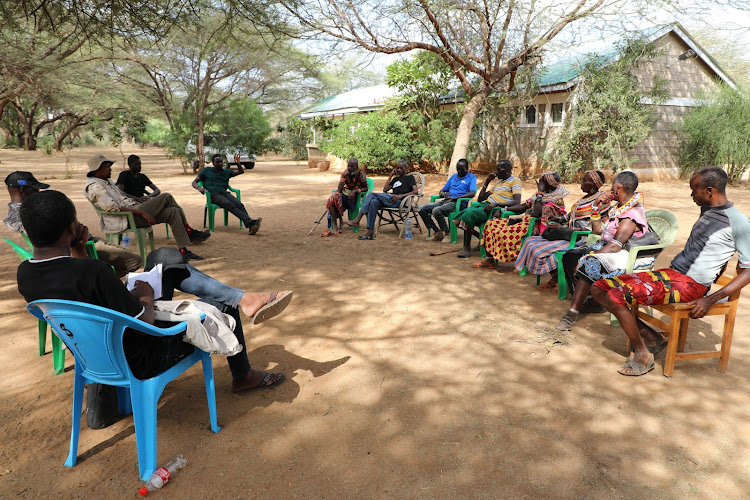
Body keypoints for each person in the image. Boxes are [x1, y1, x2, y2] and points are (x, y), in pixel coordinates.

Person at [16, 190, 292, 393]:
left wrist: (77, 249)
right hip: (142, 356)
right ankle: (243, 374)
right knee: (221, 306)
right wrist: (145, 294)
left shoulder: (25, 274)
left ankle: (246, 298)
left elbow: (77, 288)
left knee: (163, 258)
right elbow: (144, 322)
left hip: (97, 353)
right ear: (72, 228)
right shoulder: (93, 272)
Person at [592, 166, 750, 376]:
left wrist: (710, 299)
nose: (691, 194)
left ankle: (643, 354)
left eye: (695, 190)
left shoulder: (738, 222)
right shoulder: (709, 211)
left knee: (615, 296)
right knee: (599, 288)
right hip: (671, 275)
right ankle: (651, 337)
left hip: (691, 286)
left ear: (710, 191)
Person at [555, 171, 654, 331]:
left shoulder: (631, 214)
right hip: (607, 245)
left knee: (588, 262)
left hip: (625, 254)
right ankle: (590, 299)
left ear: (618, 187)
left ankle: (572, 313)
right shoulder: (619, 208)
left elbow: (616, 245)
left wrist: (588, 256)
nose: (610, 188)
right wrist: (596, 207)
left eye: (612, 185)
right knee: (570, 256)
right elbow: (597, 231)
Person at [5, 171, 141, 277]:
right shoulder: (31, 213)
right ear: (22, 189)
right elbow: (60, 236)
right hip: (82, 246)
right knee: (135, 261)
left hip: (78, 244)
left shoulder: (15, 214)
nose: (38, 193)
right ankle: (100, 281)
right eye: (34, 190)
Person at [85, 154, 210, 262]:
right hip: (127, 218)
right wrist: (141, 212)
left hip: (134, 210)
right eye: (107, 167)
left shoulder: (106, 181)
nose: (110, 170)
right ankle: (188, 231)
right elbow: (112, 207)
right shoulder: (94, 186)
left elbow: (122, 198)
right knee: (166, 196)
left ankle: (183, 251)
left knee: (173, 212)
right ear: (97, 169)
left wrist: (137, 201)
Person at [514, 169, 606, 292]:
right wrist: (558, 219)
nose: (581, 182)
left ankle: (559, 280)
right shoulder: (584, 199)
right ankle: (556, 278)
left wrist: (566, 228)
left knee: (542, 248)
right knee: (530, 240)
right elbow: (571, 215)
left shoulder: (600, 201)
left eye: (585, 180)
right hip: (570, 234)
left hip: (581, 238)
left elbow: (597, 227)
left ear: (594, 185)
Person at [473, 171, 568, 269]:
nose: (538, 184)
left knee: (502, 233)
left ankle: (521, 262)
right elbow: (524, 206)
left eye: (541, 183)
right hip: (525, 221)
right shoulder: (541, 194)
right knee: (491, 224)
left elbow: (537, 213)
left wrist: (540, 192)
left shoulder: (556, 199)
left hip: (536, 227)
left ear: (547, 186)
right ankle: (490, 260)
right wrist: (504, 209)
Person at [453, 159, 522, 258]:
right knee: (464, 214)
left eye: (499, 169)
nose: (496, 172)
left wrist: (496, 204)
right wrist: (487, 181)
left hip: (493, 210)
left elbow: (517, 202)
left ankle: (467, 248)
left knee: (468, 212)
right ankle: (481, 239)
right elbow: (481, 198)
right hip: (485, 205)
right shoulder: (499, 183)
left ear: (507, 169)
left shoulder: (515, 181)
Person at [345, 160, 419, 240]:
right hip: (390, 199)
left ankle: (357, 219)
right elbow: (385, 190)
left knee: (371, 195)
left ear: (406, 168)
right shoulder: (395, 179)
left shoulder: (410, 178)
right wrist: (390, 176)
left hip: (399, 201)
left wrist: (400, 196)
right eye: (397, 168)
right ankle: (370, 232)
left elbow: (415, 191)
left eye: (401, 168)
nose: (399, 170)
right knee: (373, 202)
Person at [192, 153, 261, 235]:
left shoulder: (226, 172)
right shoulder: (207, 171)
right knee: (228, 204)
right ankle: (251, 222)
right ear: (213, 163)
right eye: (217, 162)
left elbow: (241, 171)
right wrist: (199, 188)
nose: (220, 163)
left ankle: (250, 225)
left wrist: (238, 163)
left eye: (221, 162)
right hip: (213, 195)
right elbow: (194, 182)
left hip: (224, 194)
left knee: (239, 204)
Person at [418, 158, 476, 242]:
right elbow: (442, 190)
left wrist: (456, 198)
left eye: (461, 169)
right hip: (446, 201)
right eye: (458, 169)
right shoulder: (454, 177)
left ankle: (447, 233)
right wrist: (444, 194)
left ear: (467, 168)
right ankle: (437, 232)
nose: (459, 171)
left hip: (457, 204)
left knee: (436, 211)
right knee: (421, 209)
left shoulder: (471, 177)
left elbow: (472, 193)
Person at [322, 157, 368, 237]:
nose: (350, 168)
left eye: (352, 166)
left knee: (343, 205)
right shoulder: (345, 173)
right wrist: (344, 177)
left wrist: (355, 191)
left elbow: (366, 188)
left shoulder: (361, 174)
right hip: (345, 193)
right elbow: (339, 190)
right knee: (333, 201)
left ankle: (340, 220)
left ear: (356, 166)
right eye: (348, 166)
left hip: (356, 195)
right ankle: (335, 225)